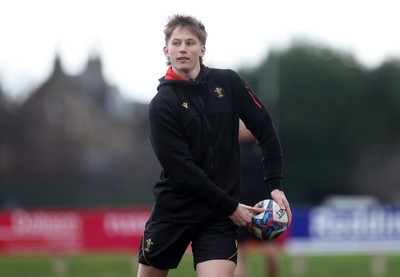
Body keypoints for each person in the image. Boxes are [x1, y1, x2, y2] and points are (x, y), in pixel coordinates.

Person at [137, 14, 292, 277]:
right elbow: (181, 168)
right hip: (174, 211)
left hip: (217, 219)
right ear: (166, 50)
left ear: (202, 49)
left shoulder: (228, 83)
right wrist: (231, 206)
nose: (183, 49)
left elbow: (265, 127)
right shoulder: (162, 104)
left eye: (190, 42)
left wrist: (275, 184)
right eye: (176, 43)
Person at [234, 120, 288, 277]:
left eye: (244, 122)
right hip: (239, 209)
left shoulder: (263, 147)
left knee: (271, 257)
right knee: (238, 258)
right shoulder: (231, 150)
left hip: (264, 211)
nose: (242, 127)